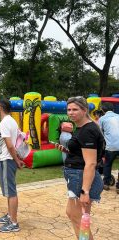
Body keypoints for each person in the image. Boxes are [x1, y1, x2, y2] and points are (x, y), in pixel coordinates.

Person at [56, 96, 104, 239]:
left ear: (84, 110)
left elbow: (91, 163)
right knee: (76, 216)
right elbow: (83, 154)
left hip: (81, 178)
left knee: (78, 218)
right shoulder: (83, 127)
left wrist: (85, 191)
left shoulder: (87, 130)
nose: (71, 112)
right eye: (69, 109)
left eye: (75, 109)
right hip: (78, 175)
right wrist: (68, 151)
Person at [0, 99, 24, 233]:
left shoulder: (5, 122)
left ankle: (14, 222)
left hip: (6, 159)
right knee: (8, 190)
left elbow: (10, 144)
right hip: (6, 158)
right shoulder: (11, 120)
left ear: (0, 107)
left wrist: (16, 160)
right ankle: (10, 215)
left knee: (11, 191)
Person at [99, 102, 119, 192]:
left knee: (107, 164)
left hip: (111, 146)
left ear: (103, 110)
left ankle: (106, 183)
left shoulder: (102, 119)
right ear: (113, 109)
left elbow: (100, 133)